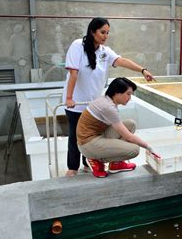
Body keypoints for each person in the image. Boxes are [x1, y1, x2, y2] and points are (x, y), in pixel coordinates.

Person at [63, 17, 155, 177]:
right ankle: (72, 167)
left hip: (94, 106)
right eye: (102, 32)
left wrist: (142, 70)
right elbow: (73, 73)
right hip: (77, 102)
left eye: (108, 33)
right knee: (76, 137)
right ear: (92, 31)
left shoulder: (105, 51)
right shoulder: (78, 46)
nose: (105, 36)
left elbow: (122, 61)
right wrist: (69, 98)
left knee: (96, 134)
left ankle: (89, 163)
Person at [76, 77, 157, 178]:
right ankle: (96, 159)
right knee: (134, 150)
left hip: (97, 135)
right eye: (128, 94)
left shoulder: (107, 100)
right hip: (88, 144)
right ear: (117, 92)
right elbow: (128, 137)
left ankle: (116, 164)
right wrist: (149, 147)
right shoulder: (108, 107)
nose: (130, 98)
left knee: (130, 124)